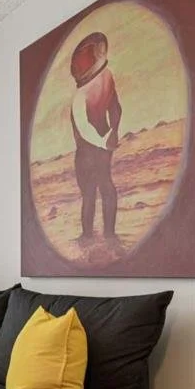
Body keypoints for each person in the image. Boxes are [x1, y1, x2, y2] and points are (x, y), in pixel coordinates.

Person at [69, 31, 122, 244]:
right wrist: (110, 135)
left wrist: (112, 133)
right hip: (98, 147)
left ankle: (93, 237)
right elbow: (85, 127)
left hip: (90, 151)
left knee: (93, 193)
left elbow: (114, 108)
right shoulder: (102, 80)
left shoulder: (96, 83)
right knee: (103, 189)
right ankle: (105, 236)